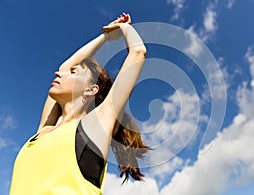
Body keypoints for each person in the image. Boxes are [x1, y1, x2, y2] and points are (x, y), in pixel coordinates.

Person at [10, 13, 150, 195]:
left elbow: (138, 52)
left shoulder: (96, 125)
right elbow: (64, 68)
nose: (59, 74)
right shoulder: (43, 131)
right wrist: (105, 36)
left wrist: (124, 28)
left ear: (91, 90)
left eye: (74, 73)